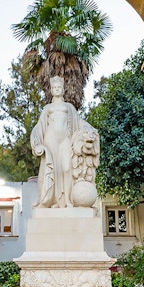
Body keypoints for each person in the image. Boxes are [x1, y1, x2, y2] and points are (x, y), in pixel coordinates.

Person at [31, 76, 99, 208]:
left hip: (65, 139)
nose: (57, 89)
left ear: (63, 89)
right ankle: (56, 201)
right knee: (53, 169)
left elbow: (78, 122)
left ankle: (67, 199)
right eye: (55, 87)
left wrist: (89, 128)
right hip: (50, 140)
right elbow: (39, 127)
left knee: (67, 168)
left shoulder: (69, 107)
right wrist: (37, 143)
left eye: (59, 87)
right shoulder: (47, 108)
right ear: (51, 90)